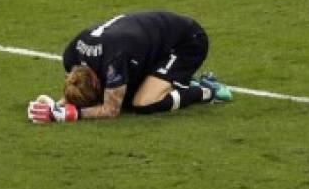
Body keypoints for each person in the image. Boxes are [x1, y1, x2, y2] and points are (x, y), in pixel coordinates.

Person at [27, 10, 232, 124]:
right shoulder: (71, 56)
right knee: (127, 97)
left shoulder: (112, 63)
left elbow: (110, 110)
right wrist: (55, 106)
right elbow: (80, 95)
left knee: (144, 103)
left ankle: (205, 90)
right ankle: (171, 81)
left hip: (186, 41)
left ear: (98, 81)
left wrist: (74, 114)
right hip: (145, 48)